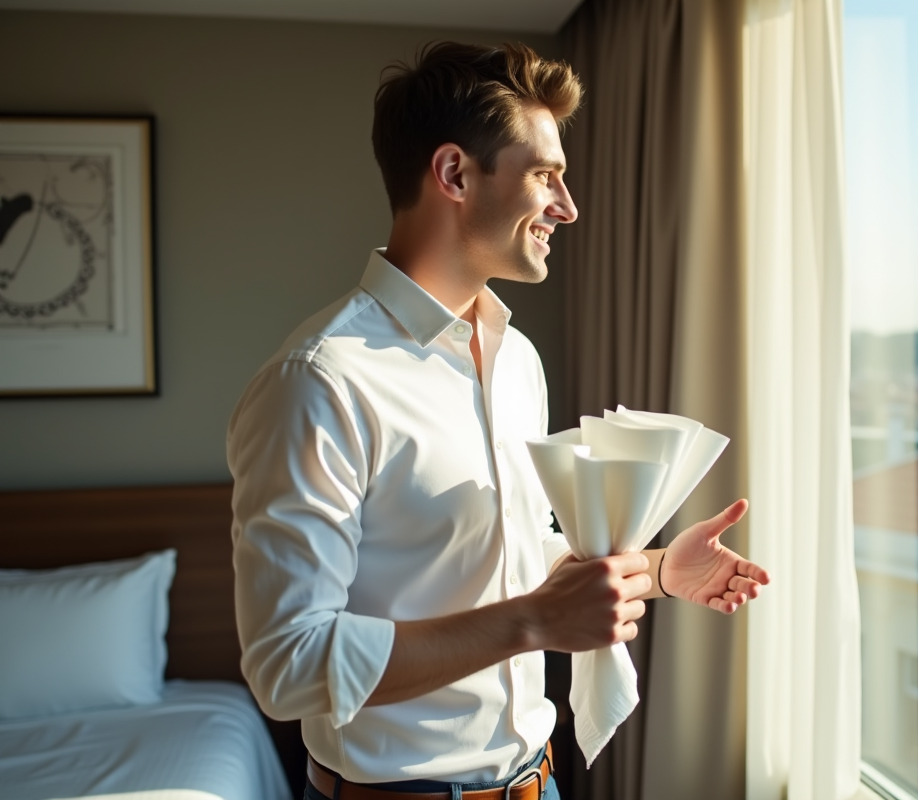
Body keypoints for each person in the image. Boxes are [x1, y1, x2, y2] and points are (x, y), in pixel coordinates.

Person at [227, 41, 770, 800]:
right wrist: (532, 625)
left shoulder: (517, 360)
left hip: (536, 785)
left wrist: (653, 572)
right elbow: (287, 667)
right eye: (545, 175)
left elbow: (509, 558)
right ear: (454, 173)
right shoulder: (319, 383)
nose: (568, 207)